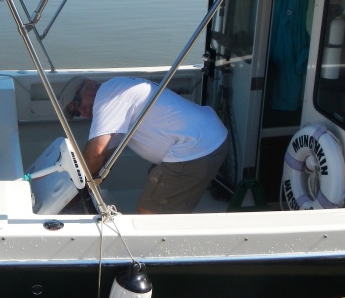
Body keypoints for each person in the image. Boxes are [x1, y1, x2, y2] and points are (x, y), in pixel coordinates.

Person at [67, 77, 229, 214]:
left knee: (149, 212)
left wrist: (72, 193)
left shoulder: (107, 96)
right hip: (208, 137)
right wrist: (85, 189)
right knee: (155, 180)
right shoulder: (116, 95)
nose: (81, 110)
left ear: (88, 84)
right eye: (75, 112)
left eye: (77, 101)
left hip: (196, 148)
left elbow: (96, 153)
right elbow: (103, 159)